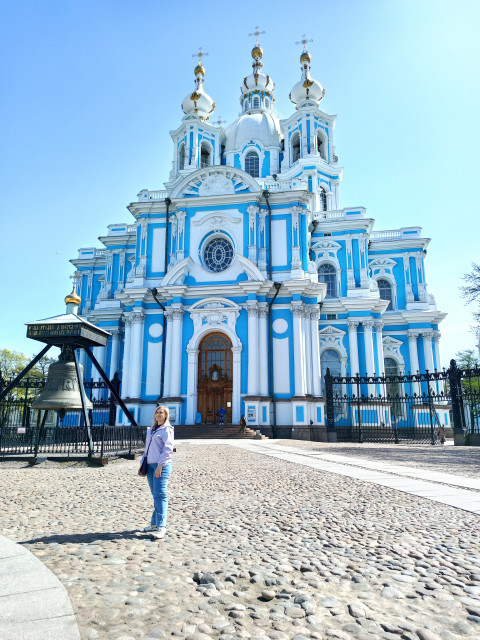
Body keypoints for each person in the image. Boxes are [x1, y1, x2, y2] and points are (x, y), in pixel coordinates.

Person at [138, 405, 174, 540]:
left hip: (161, 466)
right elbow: (146, 449)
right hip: (150, 465)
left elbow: (168, 449)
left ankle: (161, 526)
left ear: (166, 416)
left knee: (161, 495)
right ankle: (154, 524)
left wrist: (160, 465)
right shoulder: (151, 430)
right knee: (155, 495)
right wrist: (142, 464)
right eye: (157, 412)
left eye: (161, 413)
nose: (159, 415)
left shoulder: (167, 430)